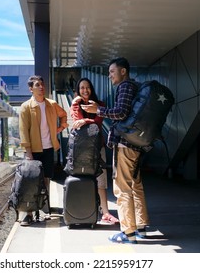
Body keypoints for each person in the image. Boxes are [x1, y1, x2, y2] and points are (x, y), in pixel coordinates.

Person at [80, 57, 149, 244]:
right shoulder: (136, 87)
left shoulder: (125, 87)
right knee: (136, 186)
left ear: (123, 71)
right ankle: (141, 227)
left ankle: (128, 233)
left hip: (125, 144)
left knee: (122, 188)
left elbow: (120, 112)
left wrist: (99, 111)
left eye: (112, 71)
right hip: (136, 144)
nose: (109, 75)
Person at [19, 75, 68, 226]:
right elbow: (23, 131)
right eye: (37, 85)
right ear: (31, 89)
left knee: (46, 180)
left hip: (48, 148)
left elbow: (64, 115)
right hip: (33, 150)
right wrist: (28, 152)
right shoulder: (26, 107)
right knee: (32, 181)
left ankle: (44, 209)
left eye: (42, 84)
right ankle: (28, 213)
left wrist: (59, 128)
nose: (41, 87)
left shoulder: (52, 104)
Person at [70, 77, 119, 224]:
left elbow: (97, 123)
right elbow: (76, 121)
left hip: (98, 146)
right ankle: (85, 209)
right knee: (83, 178)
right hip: (81, 148)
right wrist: (75, 103)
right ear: (78, 91)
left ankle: (105, 212)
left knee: (101, 180)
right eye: (82, 88)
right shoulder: (76, 105)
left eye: (88, 87)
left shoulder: (100, 105)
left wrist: (85, 120)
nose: (85, 90)